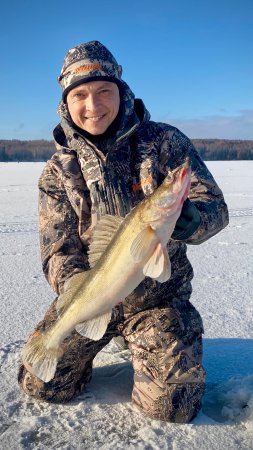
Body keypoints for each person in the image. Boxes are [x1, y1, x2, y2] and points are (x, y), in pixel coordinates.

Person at [18, 40, 229, 423]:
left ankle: (149, 339)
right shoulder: (57, 171)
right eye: (80, 95)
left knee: (172, 407)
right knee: (41, 384)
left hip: (157, 300)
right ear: (67, 102)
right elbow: (57, 249)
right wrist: (78, 290)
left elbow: (215, 205)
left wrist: (194, 219)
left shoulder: (163, 142)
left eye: (104, 92)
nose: (93, 106)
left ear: (121, 92)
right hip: (93, 297)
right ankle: (110, 335)